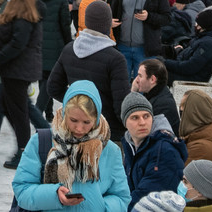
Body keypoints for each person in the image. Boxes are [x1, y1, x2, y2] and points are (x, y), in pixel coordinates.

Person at [10, 80, 130, 210]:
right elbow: (22, 190)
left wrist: (101, 208)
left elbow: (121, 197)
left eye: (86, 122)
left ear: (96, 119)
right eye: (73, 120)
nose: (79, 128)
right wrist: (54, 195)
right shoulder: (40, 142)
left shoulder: (110, 150)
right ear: (64, 113)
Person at [48, 0, 132, 142]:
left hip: (75, 129)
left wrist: (77, 105)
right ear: (108, 24)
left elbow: (53, 88)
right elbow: (121, 104)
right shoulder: (116, 59)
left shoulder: (69, 49)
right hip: (107, 131)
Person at [0, 0, 44, 169]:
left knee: (19, 112)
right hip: (13, 70)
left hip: (18, 71)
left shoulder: (24, 16)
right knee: (7, 104)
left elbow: (17, 44)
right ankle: (28, 145)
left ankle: (24, 151)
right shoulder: (16, 13)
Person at [121, 92, 187, 208]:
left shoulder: (164, 151)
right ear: (125, 122)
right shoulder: (132, 147)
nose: (142, 122)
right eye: (135, 117)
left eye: (146, 116)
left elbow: (145, 199)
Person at [110, 0, 172, 76]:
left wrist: (149, 16)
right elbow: (113, 11)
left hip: (145, 49)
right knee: (122, 80)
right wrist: (110, 22)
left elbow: (167, 18)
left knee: (142, 84)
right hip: (122, 46)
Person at [35, 0, 73, 122]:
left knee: (43, 79)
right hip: (55, 44)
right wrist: (68, 44)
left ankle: (48, 112)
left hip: (36, 43)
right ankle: (37, 112)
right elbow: (65, 24)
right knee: (49, 80)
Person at [165, 10, 212, 84]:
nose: (195, 26)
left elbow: (189, 68)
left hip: (194, 79)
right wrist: (179, 51)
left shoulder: (208, 44)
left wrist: (165, 62)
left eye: (197, 24)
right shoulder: (206, 37)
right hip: (191, 73)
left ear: (202, 27)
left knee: (157, 74)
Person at [179, 88, 212, 167]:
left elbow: (178, 174)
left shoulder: (200, 148)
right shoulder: (207, 132)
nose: (180, 109)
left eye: (183, 106)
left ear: (194, 113)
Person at [131, 59, 180, 134]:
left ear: (152, 79)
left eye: (140, 76)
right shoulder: (154, 94)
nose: (136, 80)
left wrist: (133, 93)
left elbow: (138, 128)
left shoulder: (163, 104)